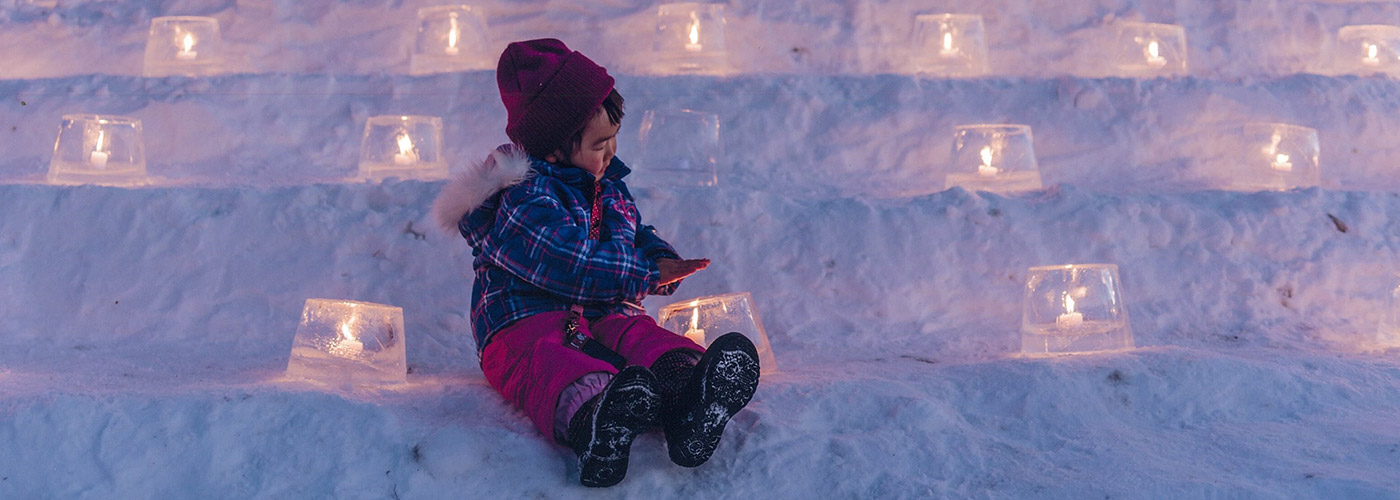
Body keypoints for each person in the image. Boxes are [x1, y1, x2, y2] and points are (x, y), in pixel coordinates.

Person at [431, 38, 761, 488]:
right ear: (553, 147)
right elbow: (563, 260)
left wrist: (659, 258)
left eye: (614, 139)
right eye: (599, 144)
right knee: (554, 357)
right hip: (525, 320)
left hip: (604, 308)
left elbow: (634, 232)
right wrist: (642, 274)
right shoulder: (523, 197)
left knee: (641, 333)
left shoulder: (605, 184)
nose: (610, 154)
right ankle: (598, 422)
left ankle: (690, 396)